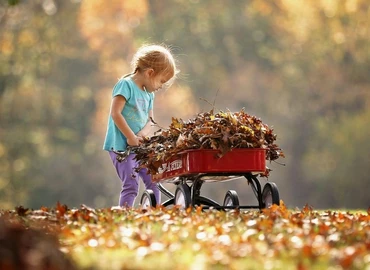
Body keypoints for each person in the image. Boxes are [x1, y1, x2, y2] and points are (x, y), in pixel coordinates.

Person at [103, 44, 179, 207]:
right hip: (121, 147)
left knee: (153, 179)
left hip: (139, 147)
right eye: (161, 81)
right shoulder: (126, 85)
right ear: (150, 73)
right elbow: (115, 113)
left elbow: (150, 120)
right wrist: (130, 137)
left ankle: (155, 211)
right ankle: (125, 214)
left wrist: (141, 135)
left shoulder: (149, 94)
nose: (160, 87)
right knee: (131, 184)